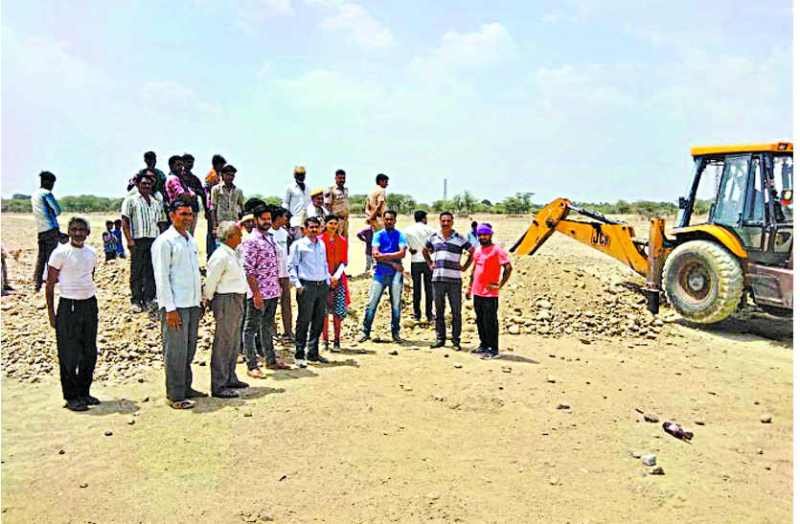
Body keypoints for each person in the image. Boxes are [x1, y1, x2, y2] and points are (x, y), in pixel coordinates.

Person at [152, 197, 206, 410]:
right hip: (175, 306)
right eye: (183, 214)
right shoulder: (165, 242)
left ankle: (185, 386)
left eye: (190, 214)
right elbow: (162, 277)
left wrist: (200, 299)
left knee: (189, 348)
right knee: (175, 350)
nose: (187, 218)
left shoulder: (190, 240)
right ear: (172, 215)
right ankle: (175, 395)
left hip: (191, 303)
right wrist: (169, 308)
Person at [45, 217, 99, 412]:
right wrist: (52, 314)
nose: (78, 233)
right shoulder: (60, 253)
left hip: (89, 305)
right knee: (69, 353)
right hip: (69, 306)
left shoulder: (92, 253)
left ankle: (84, 392)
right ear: (68, 232)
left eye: (82, 230)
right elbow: (50, 285)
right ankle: (71, 396)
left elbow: (90, 275)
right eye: (74, 230)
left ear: (88, 232)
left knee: (89, 352)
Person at [241, 202, 291, 378]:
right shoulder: (250, 241)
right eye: (263, 219)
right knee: (250, 328)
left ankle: (270, 360)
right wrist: (255, 294)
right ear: (255, 220)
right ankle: (252, 365)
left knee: (267, 326)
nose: (267, 222)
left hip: (272, 291)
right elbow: (248, 269)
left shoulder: (270, 237)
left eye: (269, 219)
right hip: (258, 292)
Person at [204, 221, 250, 398]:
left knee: (233, 341)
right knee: (224, 342)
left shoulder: (233, 253)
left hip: (236, 298)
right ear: (230, 237)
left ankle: (230, 377)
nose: (241, 236)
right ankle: (219, 384)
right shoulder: (221, 256)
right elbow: (211, 281)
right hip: (226, 299)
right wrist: (207, 299)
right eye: (239, 234)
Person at [423, 211, 475, 351]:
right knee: (439, 310)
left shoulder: (459, 238)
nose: (445, 223)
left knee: (456, 311)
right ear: (439, 222)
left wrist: (464, 266)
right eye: (443, 221)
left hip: (454, 281)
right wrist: (430, 263)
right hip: (437, 280)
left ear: (452, 222)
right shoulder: (434, 237)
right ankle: (440, 338)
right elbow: (424, 250)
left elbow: (472, 251)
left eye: (448, 221)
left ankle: (456, 340)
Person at [287, 217, 330, 367]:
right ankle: (299, 354)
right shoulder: (298, 245)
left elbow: (325, 263)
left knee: (318, 320)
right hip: (307, 286)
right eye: (311, 227)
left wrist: (328, 281)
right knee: (304, 320)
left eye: (316, 227)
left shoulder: (321, 244)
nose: (314, 230)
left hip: (322, 285)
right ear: (305, 229)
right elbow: (291, 266)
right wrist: (298, 285)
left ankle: (313, 353)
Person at [122, 171, 167, 313]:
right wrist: (129, 240)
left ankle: (149, 298)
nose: (146, 186)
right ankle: (136, 300)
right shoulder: (131, 200)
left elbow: (161, 222)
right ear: (137, 184)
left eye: (149, 183)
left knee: (151, 270)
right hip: (138, 240)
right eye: (143, 183)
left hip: (153, 240)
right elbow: (125, 221)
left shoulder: (156, 202)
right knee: (137, 270)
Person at [359, 210, 407, 343]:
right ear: (383, 220)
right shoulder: (378, 235)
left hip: (396, 275)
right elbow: (375, 254)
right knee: (372, 304)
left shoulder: (400, 235)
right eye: (386, 219)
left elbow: (402, 254)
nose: (389, 221)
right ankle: (365, 331)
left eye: (391, 219)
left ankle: (395, 333)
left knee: (396, 305)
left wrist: (383, 256)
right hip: (380, 273)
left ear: (395, 220)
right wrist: (393, 262)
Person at [466, 224, 513, 359]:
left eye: (485, 234)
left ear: (491, 235)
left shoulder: (497, 250)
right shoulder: (478, 250)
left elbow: (508, 268)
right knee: (480, 319)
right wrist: (470, 287)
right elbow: (474, 269)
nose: (482, 237)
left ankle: (493, 349)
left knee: (490, 321)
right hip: (477, 291)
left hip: (490, 293)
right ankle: (484, 344)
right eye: (480, 235)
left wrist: (500, 285)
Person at [321, 215, 349, 351]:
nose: (333, 226)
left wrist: (336, 277)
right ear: (326, 224)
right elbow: (319, 262)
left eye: (335, 224)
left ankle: (337, 340)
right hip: (322, 280)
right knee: (323, 312)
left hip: (339, 280)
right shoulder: (319, 241)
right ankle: (324, 340)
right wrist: (328, 277)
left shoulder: (343, 241)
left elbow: (344, 261)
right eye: (331, 223)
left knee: (337, 312)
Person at [31, 171, 62, 292]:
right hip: (51, 228)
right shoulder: (46, 193)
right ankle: (51, 282)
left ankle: (37, 284)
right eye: (52, 183)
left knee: (41, 257)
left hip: (41, 230)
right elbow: (58, 210)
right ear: (47, 182)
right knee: (52, 257)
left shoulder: (34, 195)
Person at [403, 210, 436, 322]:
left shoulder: (408, 230)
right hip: (428, 262)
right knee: (429, 290)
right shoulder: (430, 229)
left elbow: (404, 243)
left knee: (416, 289)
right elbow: (435, 243)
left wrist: (410, 248)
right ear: (423, 218)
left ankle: (417, 314)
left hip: (415, 261)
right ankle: (429, 314)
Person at [269, 207, 294, 342]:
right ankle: (272, 331)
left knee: (286, 303)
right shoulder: (268, 233)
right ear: (278, 217)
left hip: (285, 273)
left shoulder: (285, 233)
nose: (286, 219)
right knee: (272, 304)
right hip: (272, 274)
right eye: (285, 217)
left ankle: (288, 331)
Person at [165, 155, 200, 234]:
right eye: (178, 165)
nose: (181, 167)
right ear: (171, 166)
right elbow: (183, 196)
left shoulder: (180, 178)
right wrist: (192, 196)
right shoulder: (173, 179)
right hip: (179, 211)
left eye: (181, 165)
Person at [204, 154, 226, 260]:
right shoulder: (212, 176)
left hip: (217, 207)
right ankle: (211, 255)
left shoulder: (218, 175)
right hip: (212, 207)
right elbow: (209, 192)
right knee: (212, 232)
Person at [282, 166, 310, 242]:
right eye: (298, 174)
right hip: (295, 221)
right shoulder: (290, 187)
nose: (301, 176)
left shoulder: (307, 187)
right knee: (297, 243)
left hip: (306, 221)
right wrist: (286, 220)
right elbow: (285, 203)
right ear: (295, 175)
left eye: (303, 174)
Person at [324, 169, 349, 238]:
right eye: (340, 178)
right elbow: (327, 206)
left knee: (344, 242)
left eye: (343, 178)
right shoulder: (331, 190)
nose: (342, 180)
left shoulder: (346, 190)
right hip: (336, 221)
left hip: (345, 221)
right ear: (335, 178)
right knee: (336, 240)